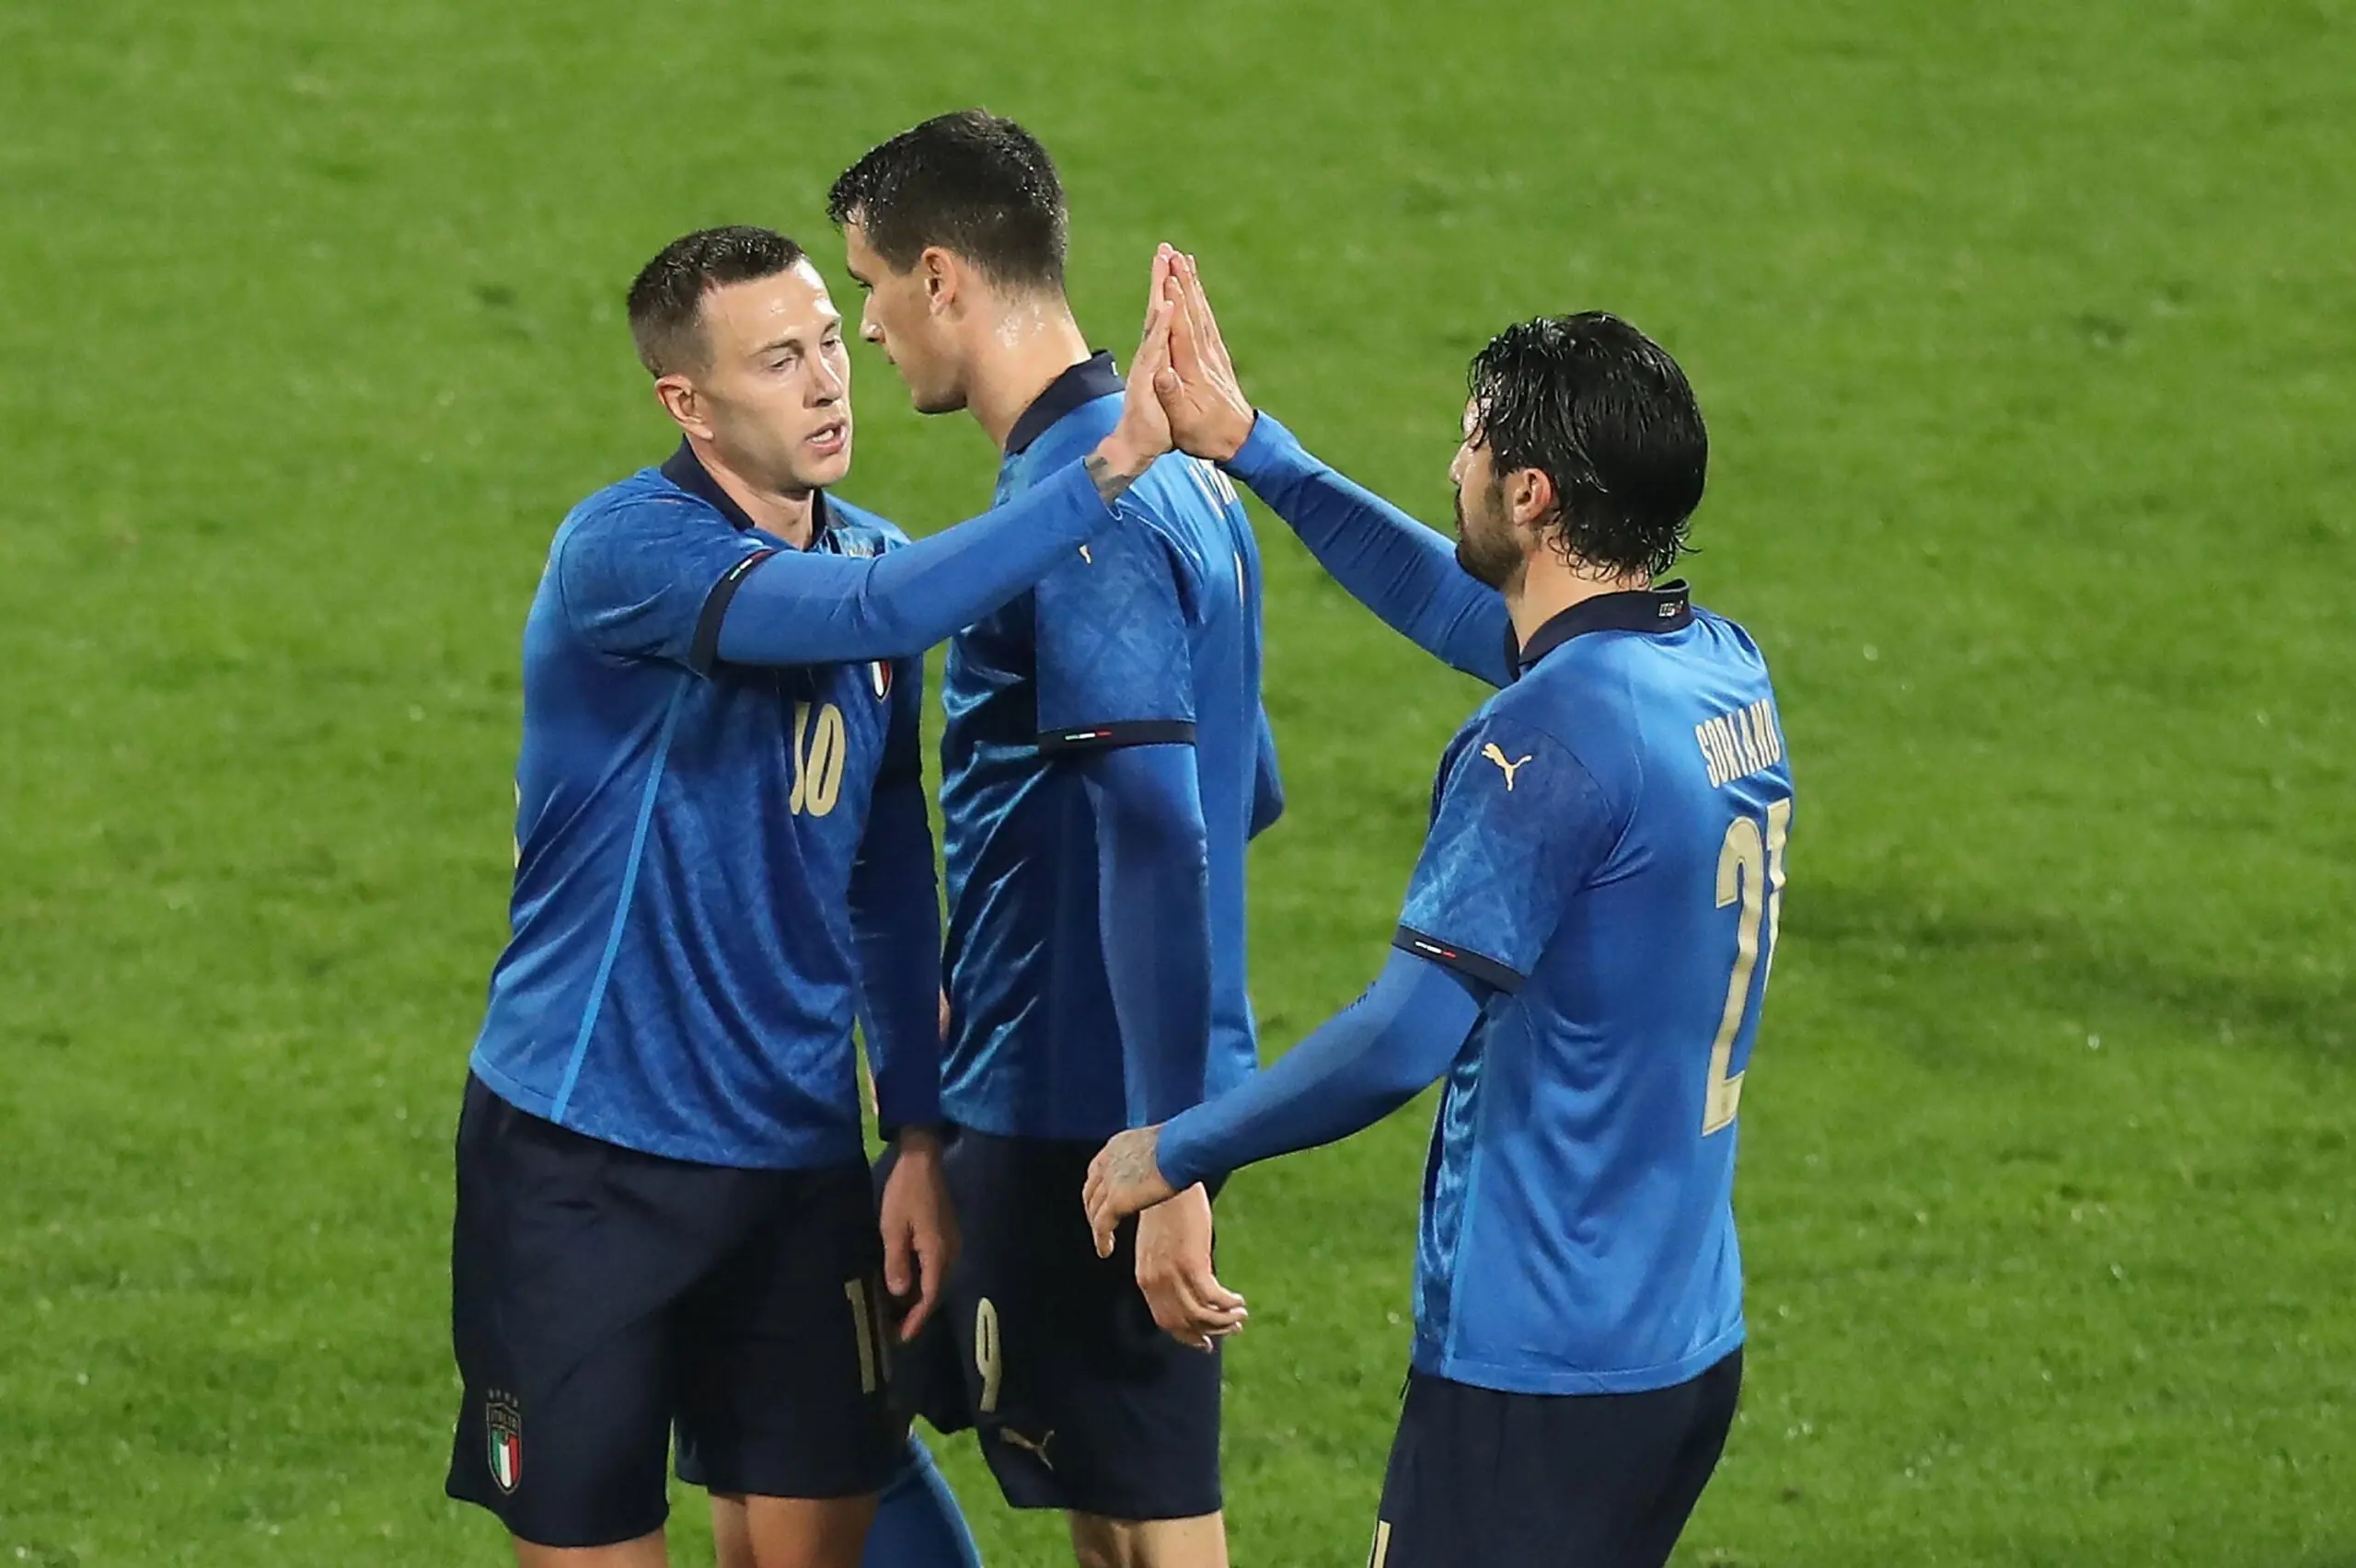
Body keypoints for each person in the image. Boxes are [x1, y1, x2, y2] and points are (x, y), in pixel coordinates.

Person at [445, 224, 1181, 1568]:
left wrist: (916, 1133)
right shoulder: (626, 551)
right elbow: (866, 613)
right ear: (688, 403)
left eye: (831, 341)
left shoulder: (876, 554)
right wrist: (1104, 469)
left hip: (794, 1166)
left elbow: (888, 872)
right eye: (778, 360)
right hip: (584, 1158)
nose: (830, 380)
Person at [1084, 253, 1795, 1568]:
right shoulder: (1711, 669)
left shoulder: (1552, 742)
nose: (1452, 464)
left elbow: (1404, 1036)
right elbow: (1459, 604)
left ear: (1532, 496)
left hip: (1540, 1362)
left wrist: (1172, 1147)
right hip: (1678, 1336)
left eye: (1473, 444)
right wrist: (1252, 446)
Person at [826, 115, 1281, 1568]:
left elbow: (1156, 823)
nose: (866, 330)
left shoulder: (1088, 508)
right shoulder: (1180, 478)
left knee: (1147, 1527)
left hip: (1086, 1104)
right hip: (1110, 1077)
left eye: (871, 289)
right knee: (1109, 1512)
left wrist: (1164, 1148)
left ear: (941, 278)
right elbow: (1246, 786)